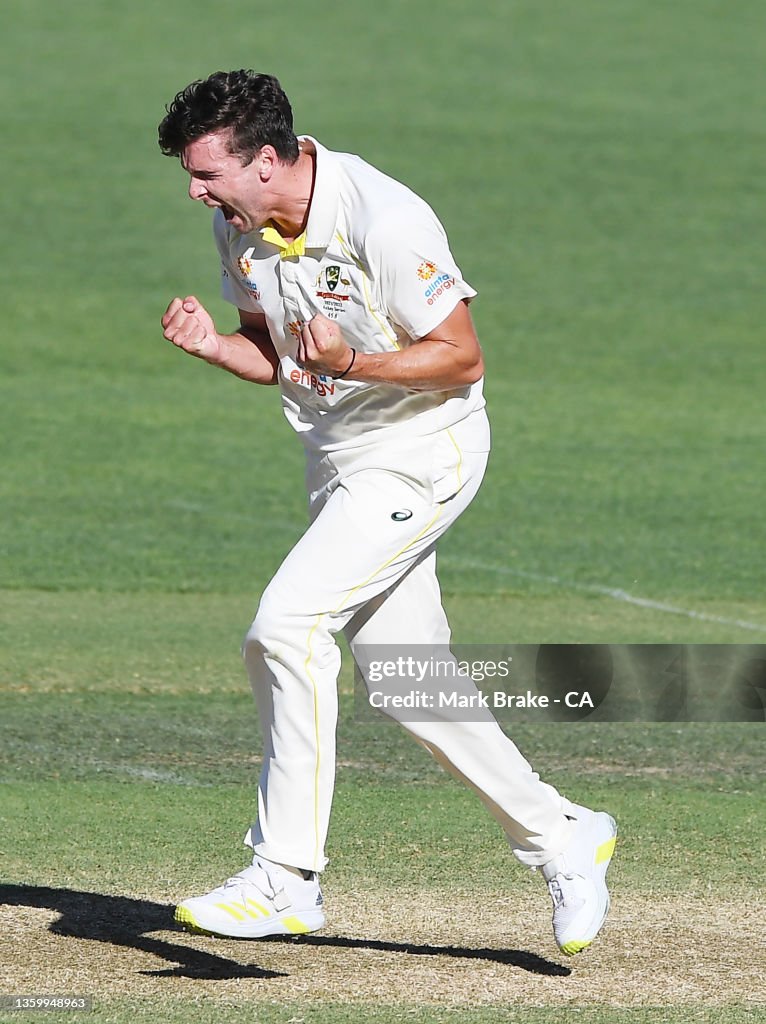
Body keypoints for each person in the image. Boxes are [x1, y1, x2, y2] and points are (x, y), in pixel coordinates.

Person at [157, 70, 616, 957]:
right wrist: (219, 346)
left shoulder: (385, 220)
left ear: (266, 159)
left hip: (419, 457)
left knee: (285, 628)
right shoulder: (240, 225)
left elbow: (462, 356)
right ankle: (563, 836)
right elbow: (276, 355)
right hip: (338, 460)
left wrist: (356, 365)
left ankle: (286, 876)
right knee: (410, 683)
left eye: (208, 173)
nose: (195, 192)